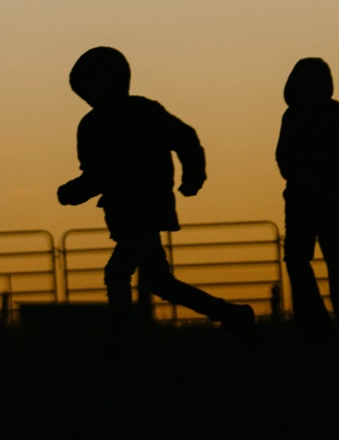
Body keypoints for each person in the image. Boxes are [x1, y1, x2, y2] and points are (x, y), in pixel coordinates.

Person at [56, 47, 254, 348]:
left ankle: (120, 339)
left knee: (117, 272)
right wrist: (76, 190)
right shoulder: (93, 125)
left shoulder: (142, 113)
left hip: (146, 208)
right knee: (161, 282)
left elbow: (185, 139)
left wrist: (193, 176)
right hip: (124, 211)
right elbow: (99, 173)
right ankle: (231, 315)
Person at [276, 57, 339, 338]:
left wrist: (307, 175)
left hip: (318, 202)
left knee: (327, 264)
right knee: (313, 263)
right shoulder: (324, 114)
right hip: (319, 202)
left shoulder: (316, 115)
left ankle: (327, 326)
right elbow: (284, 158)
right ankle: (333, 326)